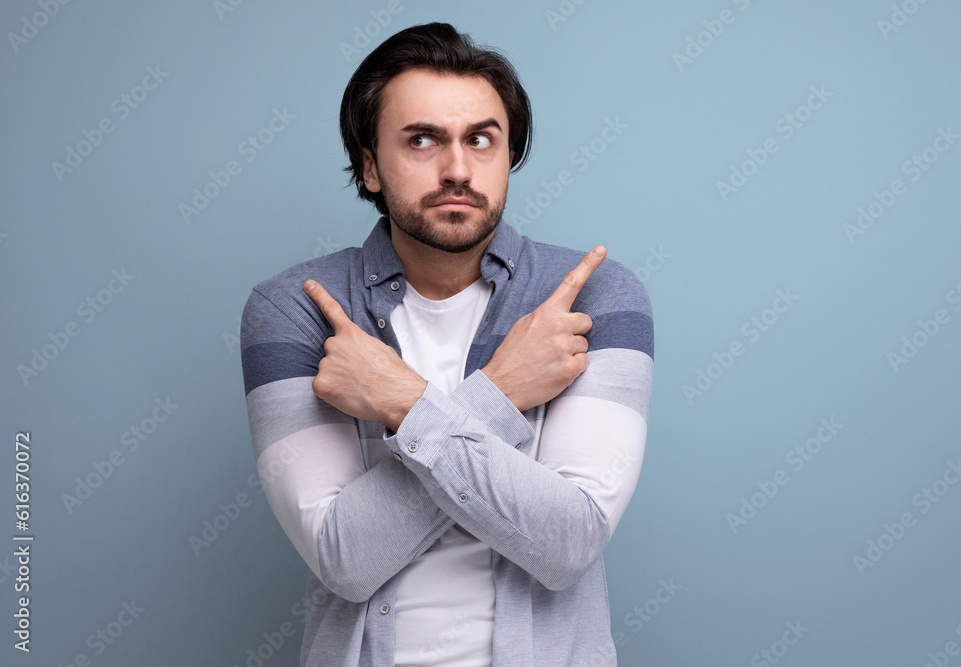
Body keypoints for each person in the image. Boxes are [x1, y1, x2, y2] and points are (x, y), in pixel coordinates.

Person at [240, 21, 654, 667]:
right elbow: (344, 558)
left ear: (508, 153)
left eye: (481, 140)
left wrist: (406, 404)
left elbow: (568, 543)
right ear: (370, 165)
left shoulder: (595, 297)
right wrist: (501, 395)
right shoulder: (295, 307)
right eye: (422, 140)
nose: (458, 168)